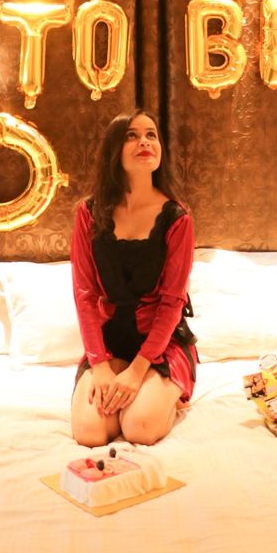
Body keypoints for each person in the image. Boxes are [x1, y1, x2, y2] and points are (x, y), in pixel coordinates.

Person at [71, 109, 197, 448]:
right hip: (108, 344)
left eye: (151, 134)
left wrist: (138, 370)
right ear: (114, 149)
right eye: (131, 135)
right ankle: (135, 391)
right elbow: (84, 295)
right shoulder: (88, 214)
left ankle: (169, 397)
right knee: (90, 434)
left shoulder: (177, 218)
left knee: (139, 428)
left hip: (161, 344)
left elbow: (172, 302)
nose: (144, 141)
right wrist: (99, 366)